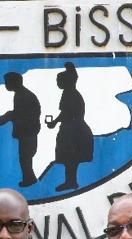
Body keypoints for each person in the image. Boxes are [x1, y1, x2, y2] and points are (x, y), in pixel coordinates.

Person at [0, 72, 42, 188]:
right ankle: (29, 178)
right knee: (25, 157)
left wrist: (0, 119)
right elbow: (18, 114)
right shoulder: (21, 94)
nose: (5, 85)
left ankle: (29, 179)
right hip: (28, 132)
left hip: (28, 132)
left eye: (7, 82)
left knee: (25, 157)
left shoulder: (23, 96)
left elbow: (21, 115)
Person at [45, 62, 93, 192]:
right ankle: (70, 181)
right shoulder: (68, 92)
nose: (57, 83)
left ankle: (71, 182)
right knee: (70, 159)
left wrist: (54, 122)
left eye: (59, 80)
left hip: (74, 131)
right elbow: (64, 113)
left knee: (71, 158)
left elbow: (66, 113)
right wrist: (55, 122)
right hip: (71, 129)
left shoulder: (70, 94)